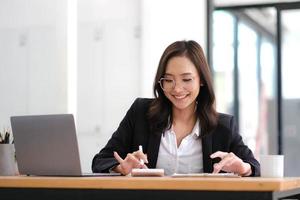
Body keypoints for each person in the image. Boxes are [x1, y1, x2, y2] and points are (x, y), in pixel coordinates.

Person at [92, 40, 260, 176]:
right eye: (169, 80)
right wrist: (120, 168)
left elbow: (254, 167)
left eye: (186, 79)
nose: (177, 89)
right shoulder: (140, 113)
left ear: (201, 80)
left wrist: (244, 168)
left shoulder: (223, 126)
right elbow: (102, 160)